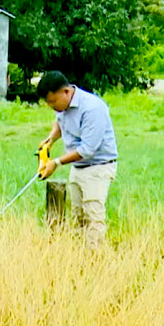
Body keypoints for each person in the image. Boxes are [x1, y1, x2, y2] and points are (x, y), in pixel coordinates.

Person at [35, 71, 119, 247]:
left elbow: (88, 149)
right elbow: (59, 121)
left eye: (53, 102)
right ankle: (81, 255)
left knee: (93, 214)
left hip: (98, 167)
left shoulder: (92, 108)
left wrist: (56, 163)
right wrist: (50, 140)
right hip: (78, 167)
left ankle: (95, 257)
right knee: (78, 215)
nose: (53, 107)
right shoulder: (62, 107)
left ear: (66, 92)